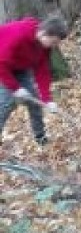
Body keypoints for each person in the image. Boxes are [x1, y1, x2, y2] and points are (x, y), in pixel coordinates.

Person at [0, 13, 68, 147]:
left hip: (19, 67)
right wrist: (15, 88)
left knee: (34, 103)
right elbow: (1, 63)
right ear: (44, 33)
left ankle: (40, 138)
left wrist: (47, 99)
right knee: (6, 104)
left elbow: (42, 71)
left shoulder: (44, 47)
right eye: (53, 42)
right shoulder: (19, 35)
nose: (54, 46)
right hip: (3, 66)